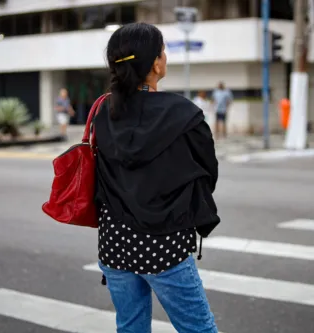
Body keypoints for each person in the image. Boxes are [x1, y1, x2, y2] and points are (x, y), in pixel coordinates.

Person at [94, 22, 220, 333]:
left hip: (114, 243)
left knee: (130, 328)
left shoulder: (103, 113)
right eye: (162, 50)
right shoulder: (184, 115)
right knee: (198, 330)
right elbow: (208, 172)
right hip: (164, 243)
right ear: (155, 63)